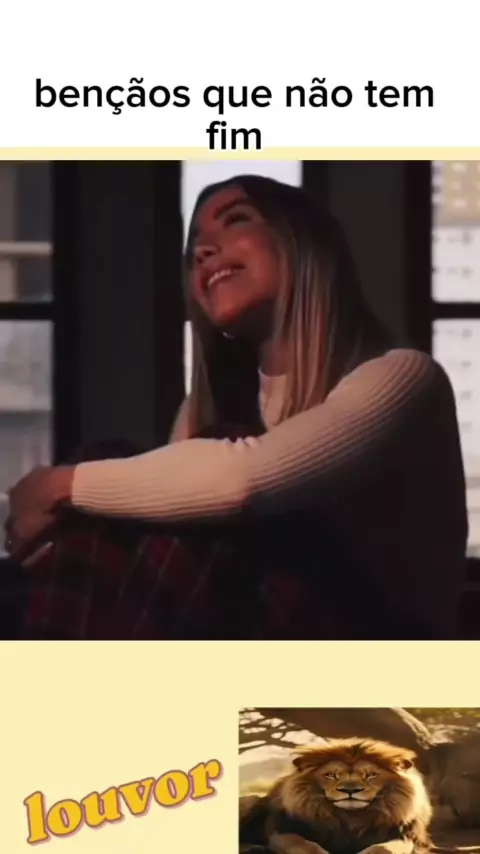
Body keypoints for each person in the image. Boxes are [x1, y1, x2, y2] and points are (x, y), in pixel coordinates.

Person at [4, 175, 468, 639]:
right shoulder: (207, 408)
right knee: (126, 488)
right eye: (195, 244)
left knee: (192, 481)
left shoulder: (404, 377)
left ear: (301, 245)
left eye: (236, 220)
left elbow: (242, 483)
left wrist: (59, 485)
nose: (203, 251)